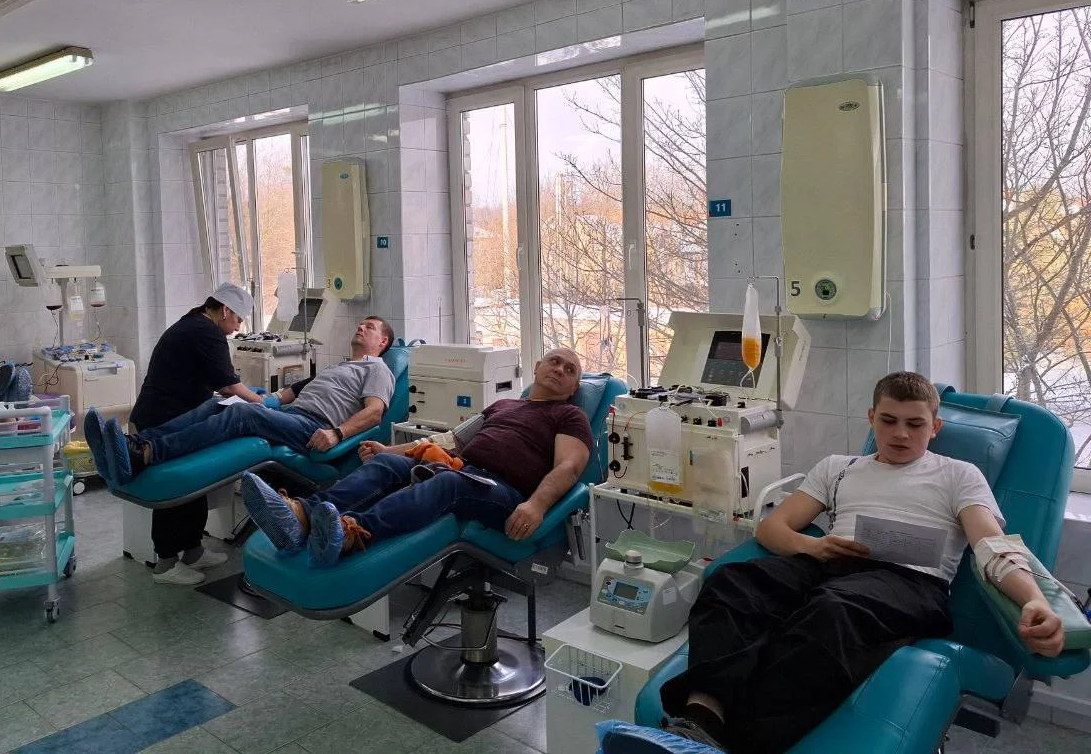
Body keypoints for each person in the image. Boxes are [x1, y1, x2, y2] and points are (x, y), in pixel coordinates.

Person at [656, 371, 1067, 754]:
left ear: (935, 427)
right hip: (828, 564)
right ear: (872, 418)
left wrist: (1033, 599)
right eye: (889, 421)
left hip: (910, 583)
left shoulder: (960, 475)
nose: (900, 433)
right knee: (731, 583)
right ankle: (701, 715)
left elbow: (992, 546)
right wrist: (814, 547)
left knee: (832, 612)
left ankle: (733, 740)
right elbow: (772, 528)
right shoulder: (838, 468)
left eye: (915, 424)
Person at [239, 347, 592, 567]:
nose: (560, 370)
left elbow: (570, 466)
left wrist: (536, 505)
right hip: (465, 470)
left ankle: (351, 534)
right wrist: (388, 450)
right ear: (537, 367)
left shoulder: (568, 415)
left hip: (503, 493)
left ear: (574, 387)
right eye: (555, 361)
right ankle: (303, 514)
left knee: (450, 483)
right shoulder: (502, 406)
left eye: (570, 370)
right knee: (388, 465)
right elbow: (451, 440)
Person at [87, 283, 262, 585]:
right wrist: (262, 404)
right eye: (238, 320)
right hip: (164, 419)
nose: (238, 328)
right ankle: (166, 564)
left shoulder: (191, 323)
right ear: (225, 310)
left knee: (194, 483)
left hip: (165, 413)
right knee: (174, 486)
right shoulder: (206, 332)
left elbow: (217, 380)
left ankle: (193, 551)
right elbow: (228, 385)